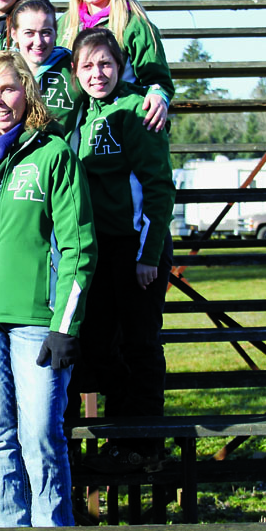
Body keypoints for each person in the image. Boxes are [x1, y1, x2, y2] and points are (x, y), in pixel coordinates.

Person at [0, 51, 96, 531]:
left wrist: (65, 326)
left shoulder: (55, 155)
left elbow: (79, 247)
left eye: (8, 89)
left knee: (39, 431)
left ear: (28, 93)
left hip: (39, 320)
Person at [69, 27, 175, 474]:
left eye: (106, 64)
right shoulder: (78, 115)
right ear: (75, 71)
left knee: (140, 343)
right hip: (100, 247)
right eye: (88, 66)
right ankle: (119, 435)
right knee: (98, 343)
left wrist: (148, 255)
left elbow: (158, 187)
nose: (98, 73)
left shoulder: (136, 110)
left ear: (121, 67)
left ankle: (145, 442)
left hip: (136, 249)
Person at [57, 0, 173, 132]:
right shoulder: (64, 25)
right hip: (74, 127)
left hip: (117, 124)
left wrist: (158, 95)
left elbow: (157, 79)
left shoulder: (133, 23)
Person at [10, 0, 77, 137]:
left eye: (46, 32)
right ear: (14, 34)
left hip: (62, 155)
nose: (38, 42)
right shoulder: (1, 70)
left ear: (56, 32)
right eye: (29, 33)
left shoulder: (73, 67)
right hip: (17, 156)